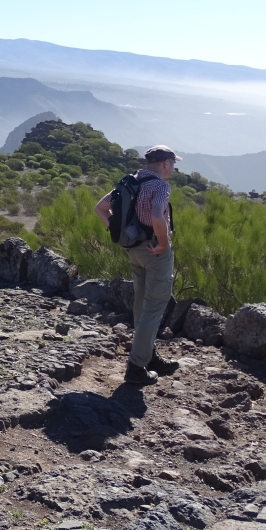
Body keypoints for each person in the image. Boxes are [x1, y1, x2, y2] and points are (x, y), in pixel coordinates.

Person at [94, 145, 181, 385]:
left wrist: (120, 235)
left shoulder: (130, 182)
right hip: (155, 252)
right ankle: (136, 366)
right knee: (154, 308)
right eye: (174, 163)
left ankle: (148, 356)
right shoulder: (160, 186)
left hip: (134, 251)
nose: (173, 168)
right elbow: (156, 216)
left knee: (141, 304)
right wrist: (163, 244)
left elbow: (100, 207)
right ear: (165, 163)